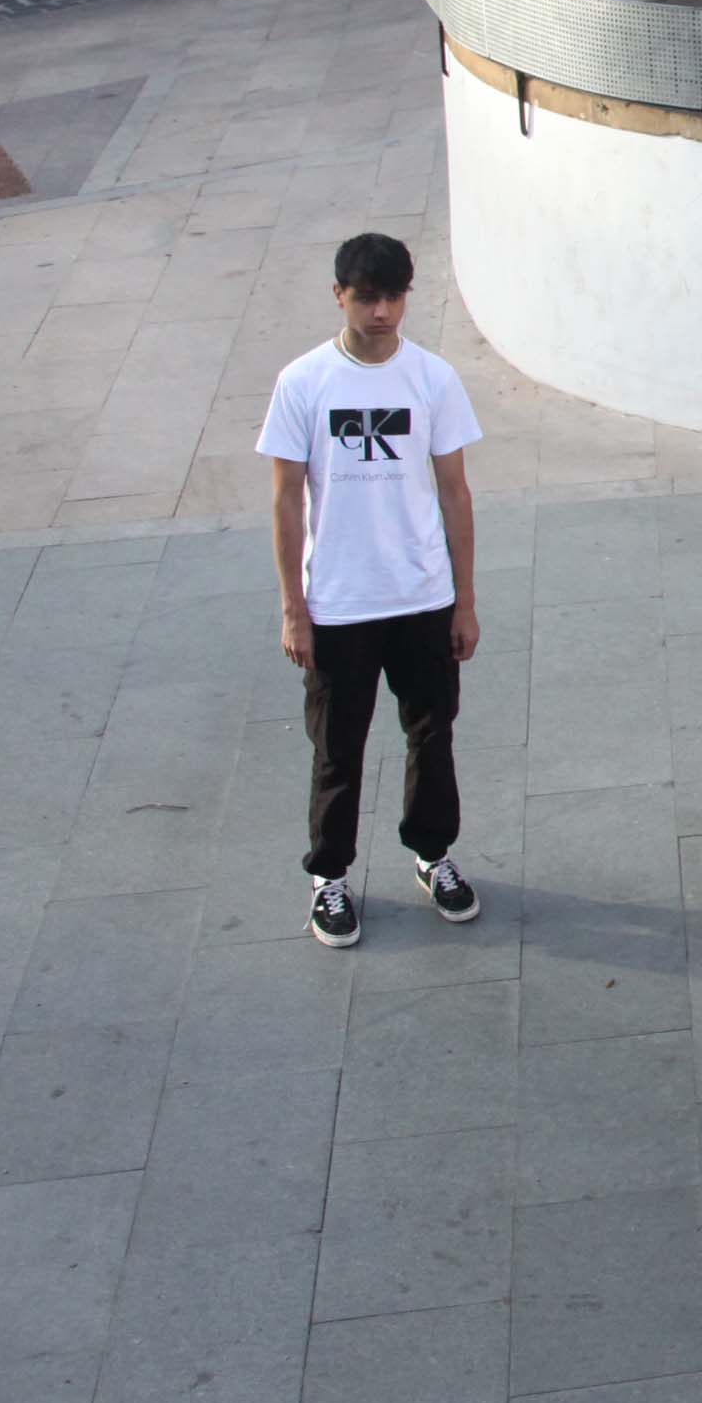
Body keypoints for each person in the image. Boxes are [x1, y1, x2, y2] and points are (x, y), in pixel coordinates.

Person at [259, 231, 482, 952]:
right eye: (366, 298)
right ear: (339, 296)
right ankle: (329, 875)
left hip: (420, 596)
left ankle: (432, 853)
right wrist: (295, 608)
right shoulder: (303, 383)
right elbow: (286, 501)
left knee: (432, 734)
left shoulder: (433, 379)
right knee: (337, 747)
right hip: (340, 603)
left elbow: (455, 492)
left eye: (393, 297)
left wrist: (465, 600)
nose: (382, 312)